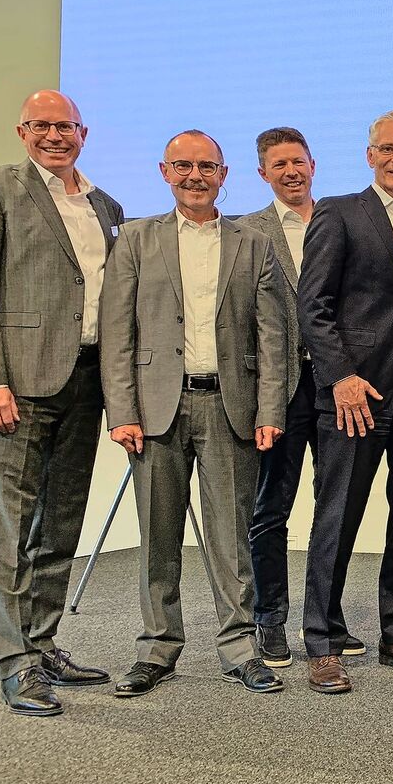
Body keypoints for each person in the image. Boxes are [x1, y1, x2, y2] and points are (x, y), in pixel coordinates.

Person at [0, 90, 123, 715]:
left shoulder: (105, 205)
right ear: (22, 132)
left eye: (65, 126)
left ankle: (42, 643)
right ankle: (13, 662)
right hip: (16, 385)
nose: (55, 135)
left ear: (83, 132)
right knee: (9, 527)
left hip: (86, 381)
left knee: (60, 521)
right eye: (42, 125)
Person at [100, 130, 286, 698]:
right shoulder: (135, 238)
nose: (195, 176)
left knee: (232, 538)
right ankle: (157, 648)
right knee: (158, 536)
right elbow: (117, 332)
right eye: (183, 166)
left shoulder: (253, 242)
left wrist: (270, 408)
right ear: (165, 172)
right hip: (156, 410)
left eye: (207, 167)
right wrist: (121, 410)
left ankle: (240, 648)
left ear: (224, 175)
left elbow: (272, 335)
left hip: (230, 407)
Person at [298, 111, 393, 693]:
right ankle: (322, 641)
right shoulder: (338, 213)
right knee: (337, 516)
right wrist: (340, 375)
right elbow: (313, 304)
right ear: (370, 156)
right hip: (355, 395)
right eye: (388, 149)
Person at [236, 128, 363, 668]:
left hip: (337, 385)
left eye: (298, 162)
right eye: (279, 164)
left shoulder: (344, 221)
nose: (291, 172)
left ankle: (326, 618)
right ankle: (268, 618)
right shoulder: (247, 232)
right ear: (262, 173)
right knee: (271, 507)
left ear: (314, 164)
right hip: (278, 388)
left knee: (335, 506)